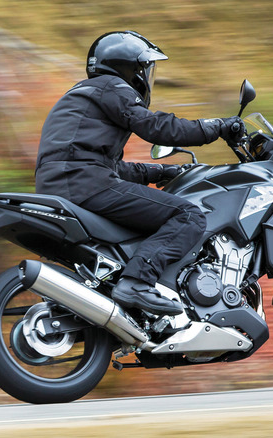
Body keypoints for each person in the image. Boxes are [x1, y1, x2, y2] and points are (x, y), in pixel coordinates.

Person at [35, 30, 244, 315]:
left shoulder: (82, 96)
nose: (147, 75)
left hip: (66, 186)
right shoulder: (111, 87)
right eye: (145, 68)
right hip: (86, 185)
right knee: (189, 215)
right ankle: (136, 284)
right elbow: (157, 127)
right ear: (129, 68)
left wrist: (160, 172)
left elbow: (109, 166)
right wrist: (217, 126)